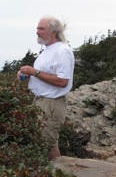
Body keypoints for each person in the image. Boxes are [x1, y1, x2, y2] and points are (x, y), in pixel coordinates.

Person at [20, 16, 77, 159]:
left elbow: (63, 81)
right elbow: (41, 75)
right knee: (49, 143)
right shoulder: (47, 51)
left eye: (41, 29)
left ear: (53, 31)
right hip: (40, 101)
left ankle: (54, 176)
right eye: (37, 28)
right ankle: (56, 175)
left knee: (45, 144)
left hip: (51, 103)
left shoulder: (62, 51)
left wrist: (34, 72)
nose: (37, 32)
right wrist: (25, 75)